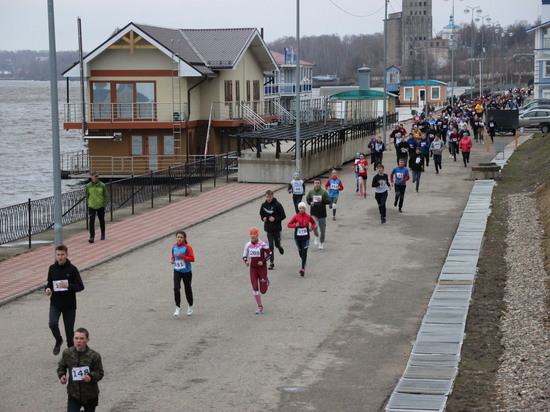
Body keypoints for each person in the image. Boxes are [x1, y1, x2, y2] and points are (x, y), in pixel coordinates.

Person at [45, 244, 85, 356]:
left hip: (69, 305)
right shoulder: (52, 268)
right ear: (55, 255)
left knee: (69, 332)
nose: (60, 257)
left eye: (62, 254)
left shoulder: (72, 269)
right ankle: (58, 340)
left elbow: (80, 286)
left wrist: (68, 286)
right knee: (52, 323)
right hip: (56, 303)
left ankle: (71, 355)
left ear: (67, 255)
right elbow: (49, 282)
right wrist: (48, 289)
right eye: (58, 254)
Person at [57, 327, 104, 412]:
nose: (79, 341)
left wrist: (90, 376)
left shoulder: (94, 356)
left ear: (87, 340)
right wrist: (62, 375)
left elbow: (100, 372)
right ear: (73, 339)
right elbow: (61, 366)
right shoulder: (67, 353)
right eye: (76, 338)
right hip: (73, 394)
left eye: (82, 338)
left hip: (90, 394)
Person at [242, 228, 272, 314]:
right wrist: (246, 261)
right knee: (255, 287)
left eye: (254, 234)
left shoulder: (262, 244)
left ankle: (266, 279)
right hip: (253, 268)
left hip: (262, 268)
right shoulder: (247, 245)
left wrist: (262, 261)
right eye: (251, 234)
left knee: (263, 291)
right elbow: (244, 255)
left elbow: (270, 254)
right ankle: (260, 306)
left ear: (257, 235)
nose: (253, 235)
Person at [287, 202, 316, 276]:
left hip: (306, 237)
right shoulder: (296, 216)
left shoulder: (308, 216)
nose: (301, 209)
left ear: (305, 209)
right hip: (298, 237)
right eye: (300, 208)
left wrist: (311, 228)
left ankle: (302, 268)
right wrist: (294, 225)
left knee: (304, 252)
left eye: (302, 208)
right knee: (300, 252)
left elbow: (313, 223)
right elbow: (289, 225)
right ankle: (304, 260)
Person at [259, 190, 286, 270]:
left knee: (276, 244)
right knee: (270, 246)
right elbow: (261, 213)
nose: (268, 198)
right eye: (267, 197)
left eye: (270, 197)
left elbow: (283, 216)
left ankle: (279, 246)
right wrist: (263, 218)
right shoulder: (264, 205)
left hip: (277, 228)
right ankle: (271, 262)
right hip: (268, 228)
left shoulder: (277, 205)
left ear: (272, 196)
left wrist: (275, 218)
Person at [170, 231, 195, 317]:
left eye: (181, 237)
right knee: (176, 288)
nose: (179, 239)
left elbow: (192, 259)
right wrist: (172, 260)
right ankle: (178, 307)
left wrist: (182, 256)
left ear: (184, 238)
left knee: (187, 289)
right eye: (178, 237)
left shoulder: (187, 247)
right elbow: (173, 256)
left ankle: (190, 306)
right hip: (177, 270)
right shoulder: (174, 247)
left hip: (186, 271)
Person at [306, 178, 331, 249]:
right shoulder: (311, 192)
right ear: (313, 184)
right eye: (315, 183)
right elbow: (308, 199)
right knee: (314, 226)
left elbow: (329, 201)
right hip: (314, 212)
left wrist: (322, 200)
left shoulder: (324, 192)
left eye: (318, 183)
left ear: (320, 184)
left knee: (322, 230)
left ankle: (321, 242)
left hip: (322, 214)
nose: (316, 184)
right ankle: (316, 236)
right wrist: (310, 203)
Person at [85, 171, 109, 243]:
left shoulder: (102, 185)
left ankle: (103, 233)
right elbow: (87, 195)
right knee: (91, 221)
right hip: (92, 206)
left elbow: (106, 195)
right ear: (91, 177)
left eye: (97, 176)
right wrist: (87, 204)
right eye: (95, 176)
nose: (96, 178)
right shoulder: (88, 186)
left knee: (101, 220)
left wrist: (104, 204)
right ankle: (92, 236)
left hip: (100, 205)